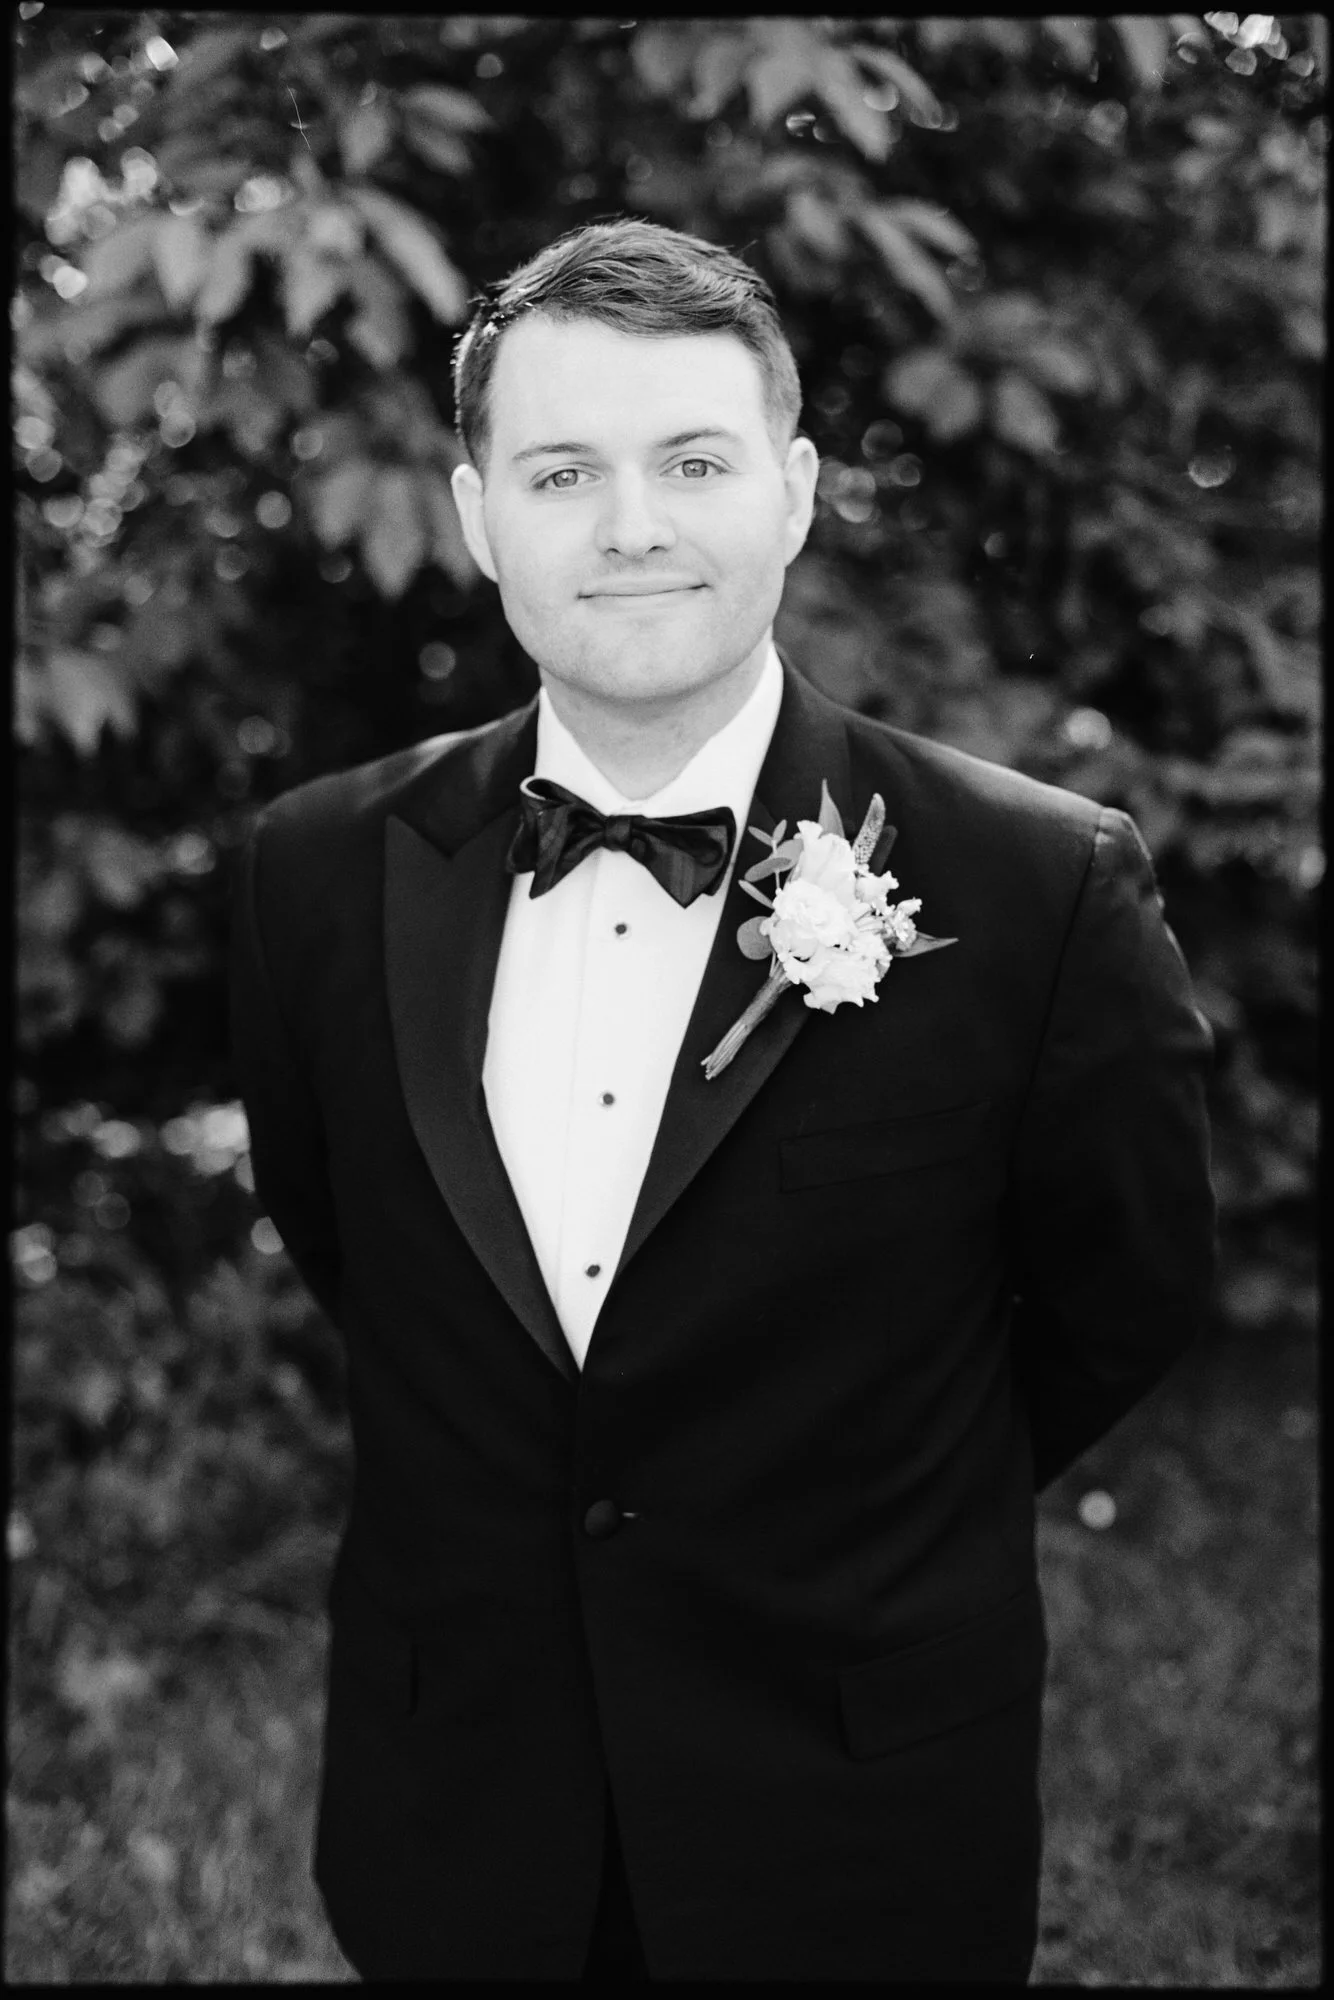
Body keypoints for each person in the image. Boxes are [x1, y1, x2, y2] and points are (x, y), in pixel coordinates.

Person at [228, 217, 1217, 1983]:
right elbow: (351, 1244)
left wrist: (862, 1502)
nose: (628, 526)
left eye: (692, 461)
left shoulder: (1035, 885)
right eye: (558, 470)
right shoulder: (315, 871)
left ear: (795, 490)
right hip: (456, 1797)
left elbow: (1121, 1293)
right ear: (473, 516)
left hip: (852, 1804)